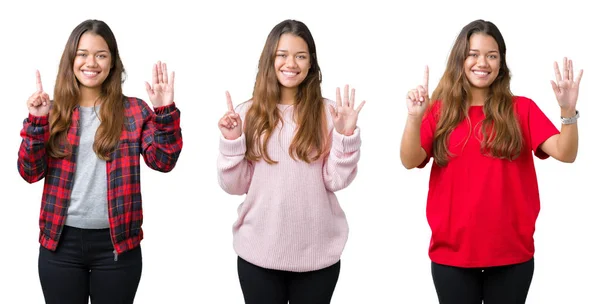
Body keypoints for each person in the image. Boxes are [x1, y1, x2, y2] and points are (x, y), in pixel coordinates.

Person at [400, 19, 582, 304]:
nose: (481, 62)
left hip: (512, 255)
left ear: (501, 64)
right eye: (473, 53)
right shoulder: (439, 111)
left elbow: (565, 153)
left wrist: (568, 111)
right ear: (460, 59)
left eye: (491, 55)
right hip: (452, 257)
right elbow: (409, 159)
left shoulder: (522, 108)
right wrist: (414, 118)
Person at [17, 19, 183, 304]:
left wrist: (164, 110)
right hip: (60, 244)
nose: (90, 62)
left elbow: (163, 162)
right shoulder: (53, 111)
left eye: (100, 54)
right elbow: (30, 172)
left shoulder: (134, 110)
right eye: (82, 53)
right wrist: (37, 121)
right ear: (71, 60)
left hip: (117, 247)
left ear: (112, 62)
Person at [217, 19, 365, 304]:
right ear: (269, 59)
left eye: (300, 56)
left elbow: (336, 180)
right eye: (282, 55)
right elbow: (234, 186)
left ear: (311, 63)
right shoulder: (247, 114)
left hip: (317, 256)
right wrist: (232, 141)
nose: (291, 63)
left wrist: (345, 136)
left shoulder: (328, 113)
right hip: (258, 252)